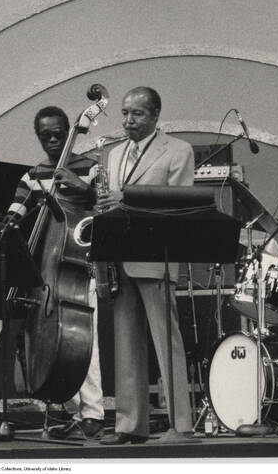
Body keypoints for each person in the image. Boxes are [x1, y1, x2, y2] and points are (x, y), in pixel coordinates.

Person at [97, 87, 194, 444]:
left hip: (156, 255)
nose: (128, 121)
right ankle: (129, 424)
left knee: (166, 342)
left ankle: (179, 424)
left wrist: (128, 199)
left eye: (136, 114)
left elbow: (181, 202)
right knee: (125, 343)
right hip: (120, 256)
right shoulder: (114, 154)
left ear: (155, 115)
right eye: (124, 113)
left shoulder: (178, 150)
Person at [4, 106, 105, 440]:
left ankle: (93, 413)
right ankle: (75, 412)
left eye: (58, 133)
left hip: (80, 264)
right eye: (44, 134)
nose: (52, 139)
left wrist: (83, 187)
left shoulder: (89, 168)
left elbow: (103, 209)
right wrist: (8, 222)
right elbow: (16, 213)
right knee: (59, 343)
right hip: (48, 269)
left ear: (68, 131)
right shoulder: (33, 175)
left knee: (83, 341)